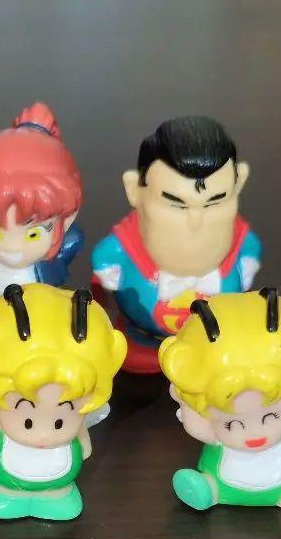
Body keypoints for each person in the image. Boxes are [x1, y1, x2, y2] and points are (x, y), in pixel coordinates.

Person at [91, 116, 260, 373]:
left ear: (239, 185)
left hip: (219, 339)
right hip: (143, 336)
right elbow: (102, 276)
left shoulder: (243, 243)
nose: (195, 221)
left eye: (214, 202)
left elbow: (249, 258)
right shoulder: (120, 249)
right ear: (134, 190)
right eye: (177, 204)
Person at [158, 288, 281, 516]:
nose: (254, 435)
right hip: (221, 478)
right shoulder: (201, 407)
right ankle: (208, 489)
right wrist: (186, 401)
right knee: (210, 481)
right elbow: (198, 425)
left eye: (271, 416)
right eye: (231, 424)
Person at [0, 283, 126, 521]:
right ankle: (6, 495)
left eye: (60, 422)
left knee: (58, 497)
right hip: (7, 483)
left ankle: (56, 497)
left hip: (58, 485)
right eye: (27, 421)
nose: (43, 435)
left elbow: (85, 448)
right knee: (4, 494)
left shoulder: (79, 418)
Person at [0, 103, 84, 317]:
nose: (12, 248)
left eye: (33, 234)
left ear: (66, 220)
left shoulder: (62, 251)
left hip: (39, 315)